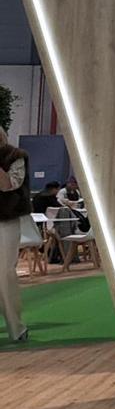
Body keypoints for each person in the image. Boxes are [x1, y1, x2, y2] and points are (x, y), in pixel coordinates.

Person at [0, 128, 30, 343]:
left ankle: (16, 328)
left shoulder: (16, 156)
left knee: (4, 274)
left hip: (6, 221)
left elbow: (8, 184)